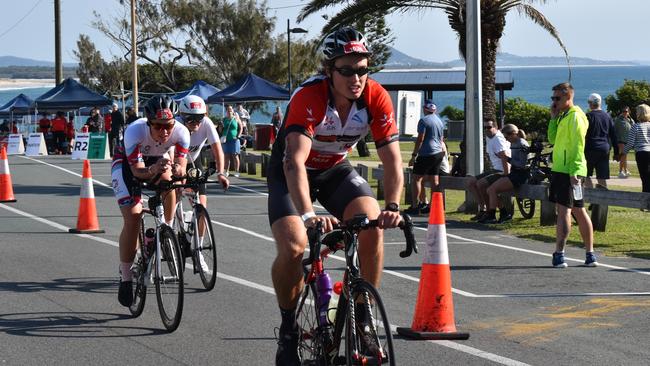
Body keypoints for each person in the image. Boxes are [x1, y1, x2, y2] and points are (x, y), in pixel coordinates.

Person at [267, 27, 403, 365]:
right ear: (329, 71)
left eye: (362, 69)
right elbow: (295, 163)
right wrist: (309, 214)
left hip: (334, 170)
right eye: (347, 70)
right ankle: (288, 330)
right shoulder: (308, 97)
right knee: (294, 245)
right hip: (290, 172)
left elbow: (393, 160)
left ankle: (363, 318)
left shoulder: (375, 97)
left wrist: (393, 206)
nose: (356, 77)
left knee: (371, 225)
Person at [110, 95, 190, 307]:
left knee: (170, 183)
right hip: (127, 165)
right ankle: (126, 276)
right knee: (134, 217)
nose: (164, 131)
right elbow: (137, 171)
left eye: (169, 126)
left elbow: (181, 165)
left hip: (157, 159)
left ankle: (167, 231)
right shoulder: (135, 132)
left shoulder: (182, 133)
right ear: (149, 123)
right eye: (158, 126)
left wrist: (179, 169)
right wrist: (152, 169)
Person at [548, 82, 597, 268]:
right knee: (578, 209)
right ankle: (590, 254)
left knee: (564, 211)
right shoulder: (564, 116)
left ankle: (560, 253)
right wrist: (553, 118)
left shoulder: (576, 116)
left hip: (568, 170)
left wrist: (574, 171)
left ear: (568, 96)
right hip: (562, 169)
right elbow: (553, 139)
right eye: (552, 98)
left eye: (557, 98)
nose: (554, 102)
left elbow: (578, 145)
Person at [481, 124, 529, 223]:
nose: (506, 140)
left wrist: (507, 159)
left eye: (506, 137)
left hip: (520, 175)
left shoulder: (521, 143)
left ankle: (493, 215)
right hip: (514, 173)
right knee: (490, 190)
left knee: (492, 190)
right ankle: (503, 213)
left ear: (513, 134)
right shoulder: (514, 143)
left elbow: (522, 164)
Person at [405, 100, 446, 215]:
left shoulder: (423, 120)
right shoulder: (440, 122)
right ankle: (434, 206)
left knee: (416, 179)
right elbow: (441, 139)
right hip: (438, 153)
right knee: (434, 180)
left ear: (425, 109)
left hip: (426, 153)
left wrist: (414, 155)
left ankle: (415, 205)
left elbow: (420, 138)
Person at [466, 119, 511, 221]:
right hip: (495, 169)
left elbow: (504, 157)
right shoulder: (489, 137)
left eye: (489, 127)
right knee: (471, 182)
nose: (487, 130)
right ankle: (483, 209)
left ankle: (494, 213)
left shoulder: (498, 139)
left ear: (496, 127)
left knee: (481, 184)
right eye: (484, 127)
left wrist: (506, 174)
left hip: (501, 170)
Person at [584, 93, 617, 189]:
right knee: (602, 177)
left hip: (590, 148)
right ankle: (603, 202)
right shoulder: (608, 116)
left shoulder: (588, 116)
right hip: (604, 149)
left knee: (586, 175)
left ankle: (593, 200)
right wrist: (616, 152)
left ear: (590, 103)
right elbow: (613, 135)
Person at [623, 104, 650, 193]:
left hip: (641, 153)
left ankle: (645, 201)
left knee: (644, 178)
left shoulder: (636, 126)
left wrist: (622, 153)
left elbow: (630, 143)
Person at [220, 105, 243, 177]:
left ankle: (237, 171)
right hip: (226, 140)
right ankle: (226, 171)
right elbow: (220, 131)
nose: (229, 111)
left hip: (234, 140)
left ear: (233, 111)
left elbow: (241, 128)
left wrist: (238, 135)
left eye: (230, 110)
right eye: (228, 110)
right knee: (226, 156)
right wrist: (220, 126)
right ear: (226, 111)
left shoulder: (236, 119)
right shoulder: (224, 119)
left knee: (235, 155)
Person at [614, 106, 634, 178]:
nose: (625, 113)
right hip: (620, 140)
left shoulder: (631, 120)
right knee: (623, 155)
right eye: (623, 111)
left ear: (629, 112)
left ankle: (624, 171)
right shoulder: (618, 120)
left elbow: (633, 130)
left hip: (627, 141)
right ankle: (621, 171)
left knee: (624, 156)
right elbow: (614, 130)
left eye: (626, 111)